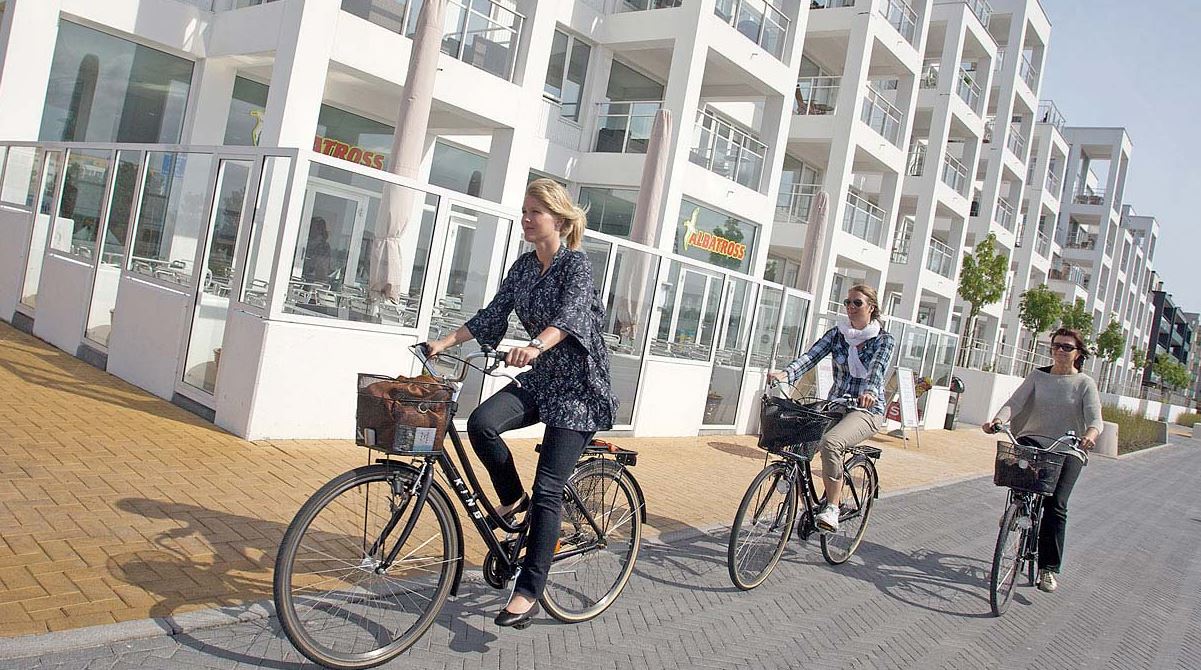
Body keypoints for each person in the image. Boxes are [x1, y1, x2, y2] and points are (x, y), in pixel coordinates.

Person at [423, 179, 618, 628]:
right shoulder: (524, 267)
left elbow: (570, 317)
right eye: (525, 211)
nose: (526, 219)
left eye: (535, 212)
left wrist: (535, 345)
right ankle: (513, 500)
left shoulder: (576, 265)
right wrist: (443, 342)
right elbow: (493, 313)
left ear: (559, 220)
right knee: (482, 424)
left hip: (579, 388)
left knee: (549, 488)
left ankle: (528, 592)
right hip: (542, 379)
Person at [768, 284, 895, 533]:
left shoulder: (883, 340)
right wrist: (785, 374)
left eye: (857, 303)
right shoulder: (838, 334)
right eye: (847, 302)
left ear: (871, 307)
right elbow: (811, 357)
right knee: (800, 441)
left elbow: (877, 369)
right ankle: (807, 505)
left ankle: (832, 508)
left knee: (831, 443)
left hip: (866, 410)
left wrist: (869, 392)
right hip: (836, 404)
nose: (850, 307)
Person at [982, 327, 1101, 593]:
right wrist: (998, 420)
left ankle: (1048, 569)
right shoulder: (1038, 376)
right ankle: (1017, 509)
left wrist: (1090, 436)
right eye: (1056, 345)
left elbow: (1095, 419)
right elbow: (1015, 402)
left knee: (1056, 504)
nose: (1060, 350)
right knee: (1018, 468)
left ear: (1078, 353)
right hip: (1035, 439)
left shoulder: (1084, 383)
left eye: (1067, 347)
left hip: (1068, 447)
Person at [301, 216, 333, 283]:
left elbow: (323, 268)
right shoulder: (304, 242)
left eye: (313, 227)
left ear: (319, 230)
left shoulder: (324, 247)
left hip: (315, 281)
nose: (310, 230)